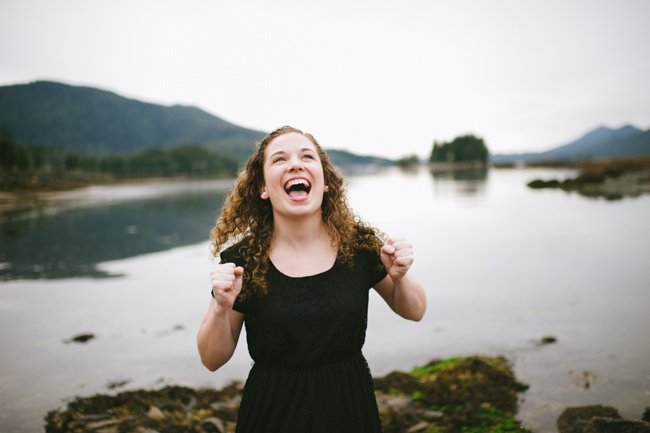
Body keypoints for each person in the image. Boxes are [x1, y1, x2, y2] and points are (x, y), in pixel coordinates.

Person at [197, 126, 426, 433]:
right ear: (263, 187)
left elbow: (415, 311)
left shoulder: (359, 247)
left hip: (350, 408)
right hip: (272, 413)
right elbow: (212, 360)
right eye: (279, 159)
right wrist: (220, 308)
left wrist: (400, 277)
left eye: (307, 156)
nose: (295, 164)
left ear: (326, 182)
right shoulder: (242, 261)